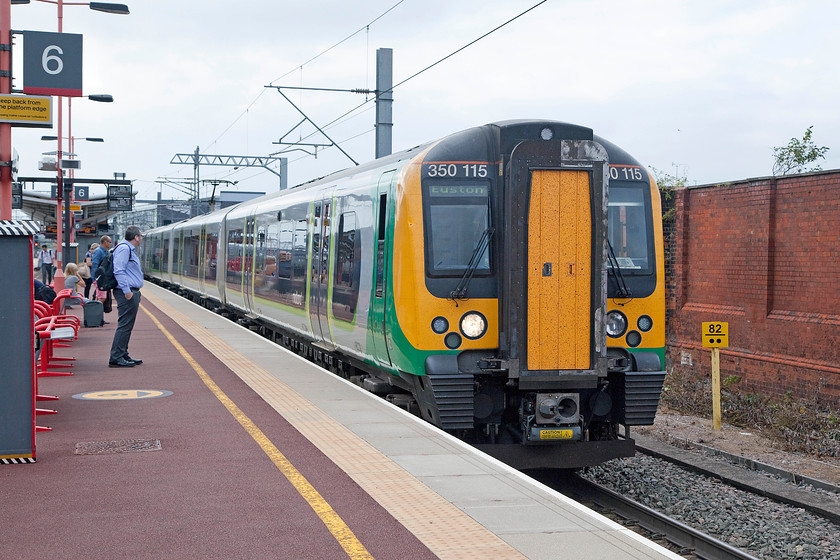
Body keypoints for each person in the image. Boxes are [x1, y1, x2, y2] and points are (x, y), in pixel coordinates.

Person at [109, 226, 144, 368]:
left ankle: (122, 353)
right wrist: (127, 291)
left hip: (130, 291)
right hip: (126, 292)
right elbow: (118, 270)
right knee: (124, 325)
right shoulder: (124, 249)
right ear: (136, 237)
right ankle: (116, 357)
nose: (141, 238)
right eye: (141, 236)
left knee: (127, 325)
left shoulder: (127, 249)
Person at [91, 236, 112, 308]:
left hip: (103, 278)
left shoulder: (106, 251)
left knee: (98, 296)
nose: (111, 244)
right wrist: (95, 278)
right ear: (105, 242)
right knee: (102, 297)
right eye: (110, 242)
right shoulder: (98, 251)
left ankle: (98, 317)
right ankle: (95, 312)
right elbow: (95, 265)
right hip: (100, 278)